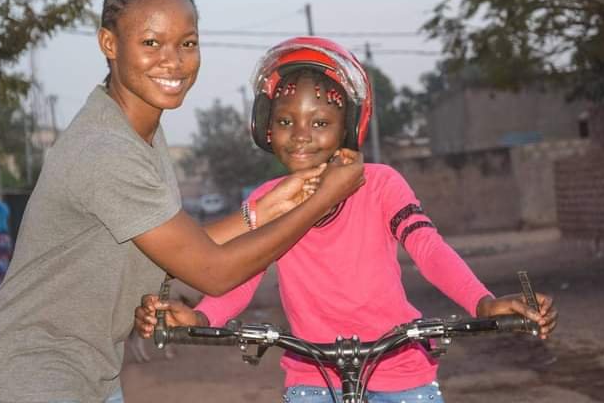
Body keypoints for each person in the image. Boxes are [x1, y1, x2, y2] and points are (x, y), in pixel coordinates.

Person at [0, 0, 364, 403]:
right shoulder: (107, 150)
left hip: (87, 373)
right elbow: (213, 272)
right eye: (151, 43)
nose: (174, 61)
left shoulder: (139, 129)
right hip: (27, 376)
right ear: (109, 45)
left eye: (187, 43)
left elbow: (178, 248)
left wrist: (263, 211)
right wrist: (322, 200)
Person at [137, 37, 559, 403]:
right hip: (312, 375)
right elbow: (243, 275)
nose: (300, 134)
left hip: (400, 371)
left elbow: (428, 249)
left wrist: (482, 302)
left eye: (320, 122)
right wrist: (203, 317)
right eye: (285, 121)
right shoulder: (269, 200)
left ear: (348, 127)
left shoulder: (380, 184)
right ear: (267, 128)